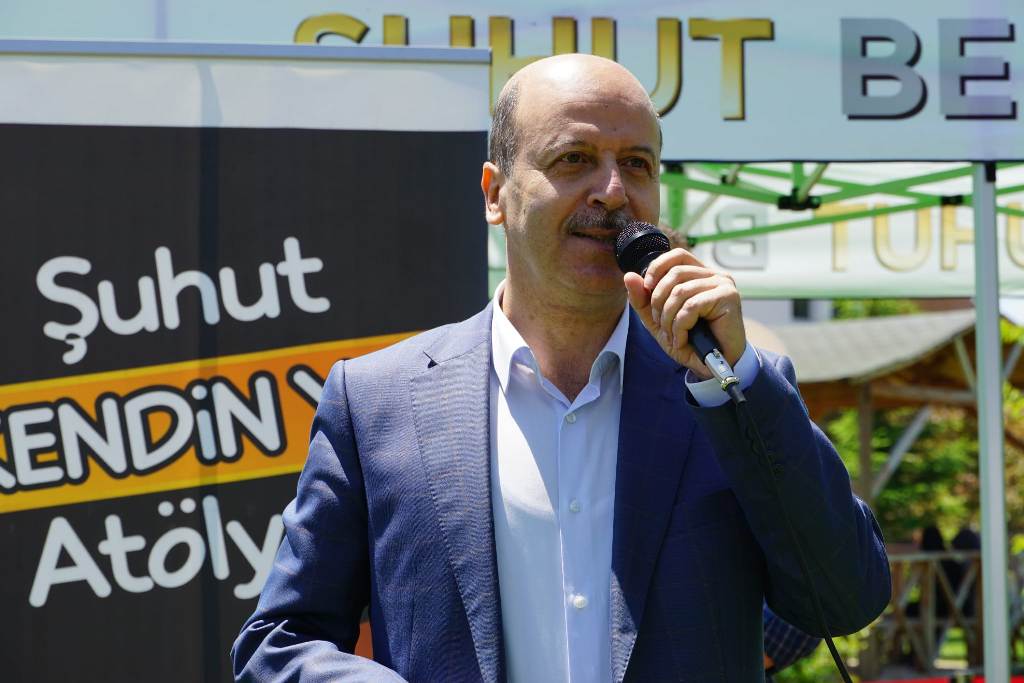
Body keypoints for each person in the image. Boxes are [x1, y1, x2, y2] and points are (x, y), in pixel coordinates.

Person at [231, 53, 890, 682]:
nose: (612, 191)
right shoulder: (376, 402)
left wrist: (736, 381)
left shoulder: (727, 387)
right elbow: (279, 643)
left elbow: (848, 599)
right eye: (573, 159)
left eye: (637, 164)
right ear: (496, 194)